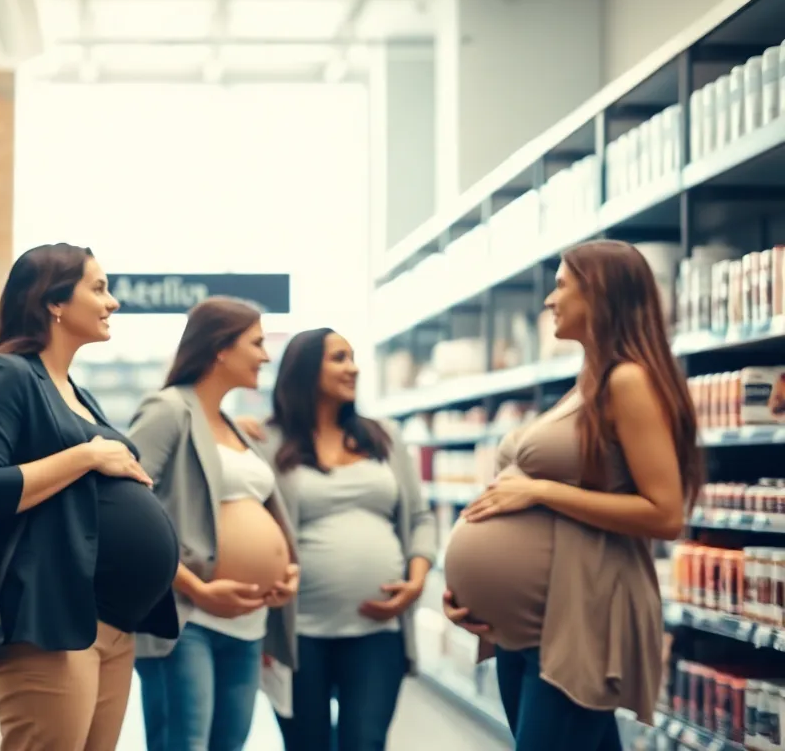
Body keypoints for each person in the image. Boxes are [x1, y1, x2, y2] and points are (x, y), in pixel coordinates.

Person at [441, 239, 702, 751]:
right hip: (529, 624)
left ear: (599, 293)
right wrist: (469, 594)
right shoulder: (588, 380)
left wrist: (540, 491)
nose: (548, 301)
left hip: (577, 617)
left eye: (561, 286)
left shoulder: (628, 381)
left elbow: (665, 512)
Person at [0, 243, 181, 751]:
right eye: (98, 288)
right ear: (53, 301)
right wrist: (87, 456)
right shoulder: (9, 375)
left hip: (111, 625)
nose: (113, 302)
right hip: (52, 622)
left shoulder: (73, 387)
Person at [241, 328, 435, 751]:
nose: (354, 367)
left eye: (353, 357)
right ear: (305, 369)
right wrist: (226, 428)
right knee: (306, 745)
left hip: (377, 627)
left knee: (365, 742)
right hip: (298, 632)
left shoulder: (382, 437)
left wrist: (416, 581)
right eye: (340, 358)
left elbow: (420, 517)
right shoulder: (267, 441)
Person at [127, 296, 300, 751]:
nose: (265, 355)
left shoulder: (231, 424)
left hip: (248, 625)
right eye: (257, 343)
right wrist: (197, 588)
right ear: (221, 348)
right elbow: (124, 513)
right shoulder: (167, 410)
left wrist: (285, 572)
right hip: (188, 620)